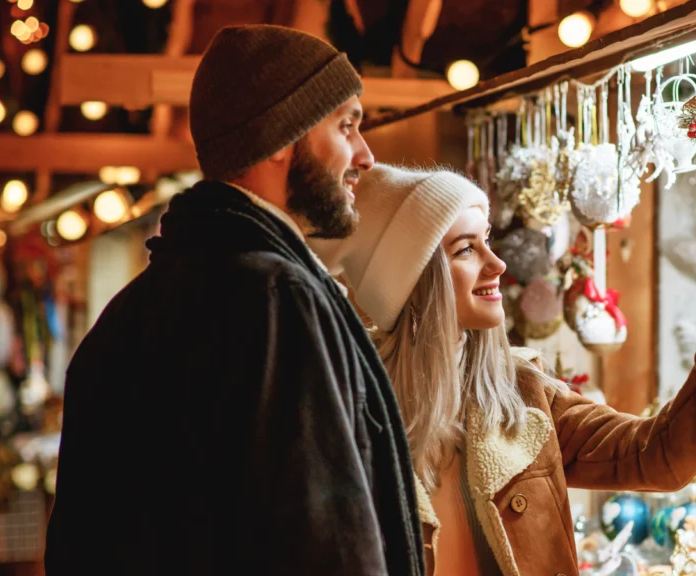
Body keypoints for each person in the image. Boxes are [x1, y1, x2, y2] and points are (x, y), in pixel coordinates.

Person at [309, 163, 696, 576]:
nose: (498, 265)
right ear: (411, 280)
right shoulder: (348, 415)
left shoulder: (522, 393)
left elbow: (659, 456)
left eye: (488, 239)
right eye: (466, 250)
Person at [45, 26, 424, 576]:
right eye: (346, 126)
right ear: (277, 140)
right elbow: (326, 542)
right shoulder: (278, 298)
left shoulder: (124, 315)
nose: (365, 155)